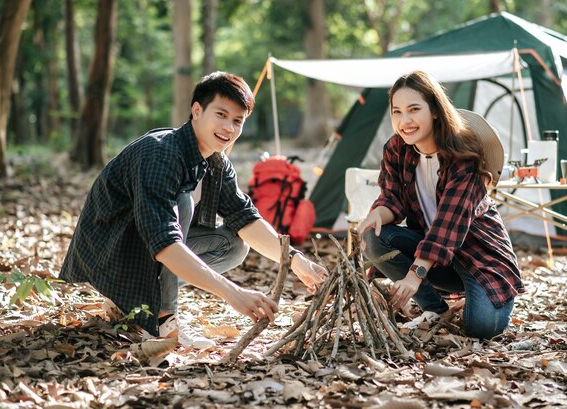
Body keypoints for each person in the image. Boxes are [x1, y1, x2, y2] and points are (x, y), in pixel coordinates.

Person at [60, 72, 328, 349]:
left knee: (235, 244)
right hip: (113, 254)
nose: (229, 127)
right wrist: (232, 293)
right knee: (184, 203)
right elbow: (163, 240)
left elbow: (245, 217)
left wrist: (296, 261)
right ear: (197, 111)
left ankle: (136, 305)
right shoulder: (160, 153)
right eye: (221, 115)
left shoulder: (216, 162)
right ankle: (164, 321)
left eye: (237, 121)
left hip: (148, 250)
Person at [358, 71, 524, 340]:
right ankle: (433, 308)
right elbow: (392, 198)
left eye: (414, 110)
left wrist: (414, 275)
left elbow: (448, 222)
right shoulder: (396, 149)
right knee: (374, 235)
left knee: (481, 329)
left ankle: (474, 298)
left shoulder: (464, 155)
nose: (405, 121)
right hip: (437, 258)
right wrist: (377, 213)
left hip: (479, 259)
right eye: (397, 112)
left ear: (435, 110)